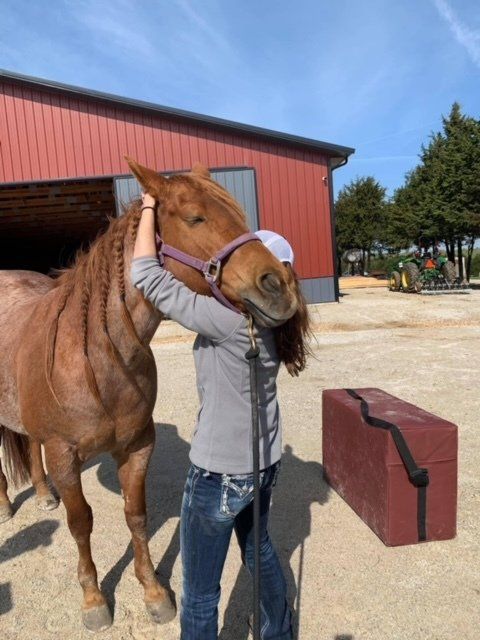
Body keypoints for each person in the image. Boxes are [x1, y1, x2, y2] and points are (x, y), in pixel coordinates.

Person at [130, 192, 311, 640]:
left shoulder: (226, 320)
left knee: (200, 593)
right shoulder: (280, 320)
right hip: (263, 465)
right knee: (259, 550)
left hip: (219, 475)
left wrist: (149, 208)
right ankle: (279, 631)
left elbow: (146, 276)